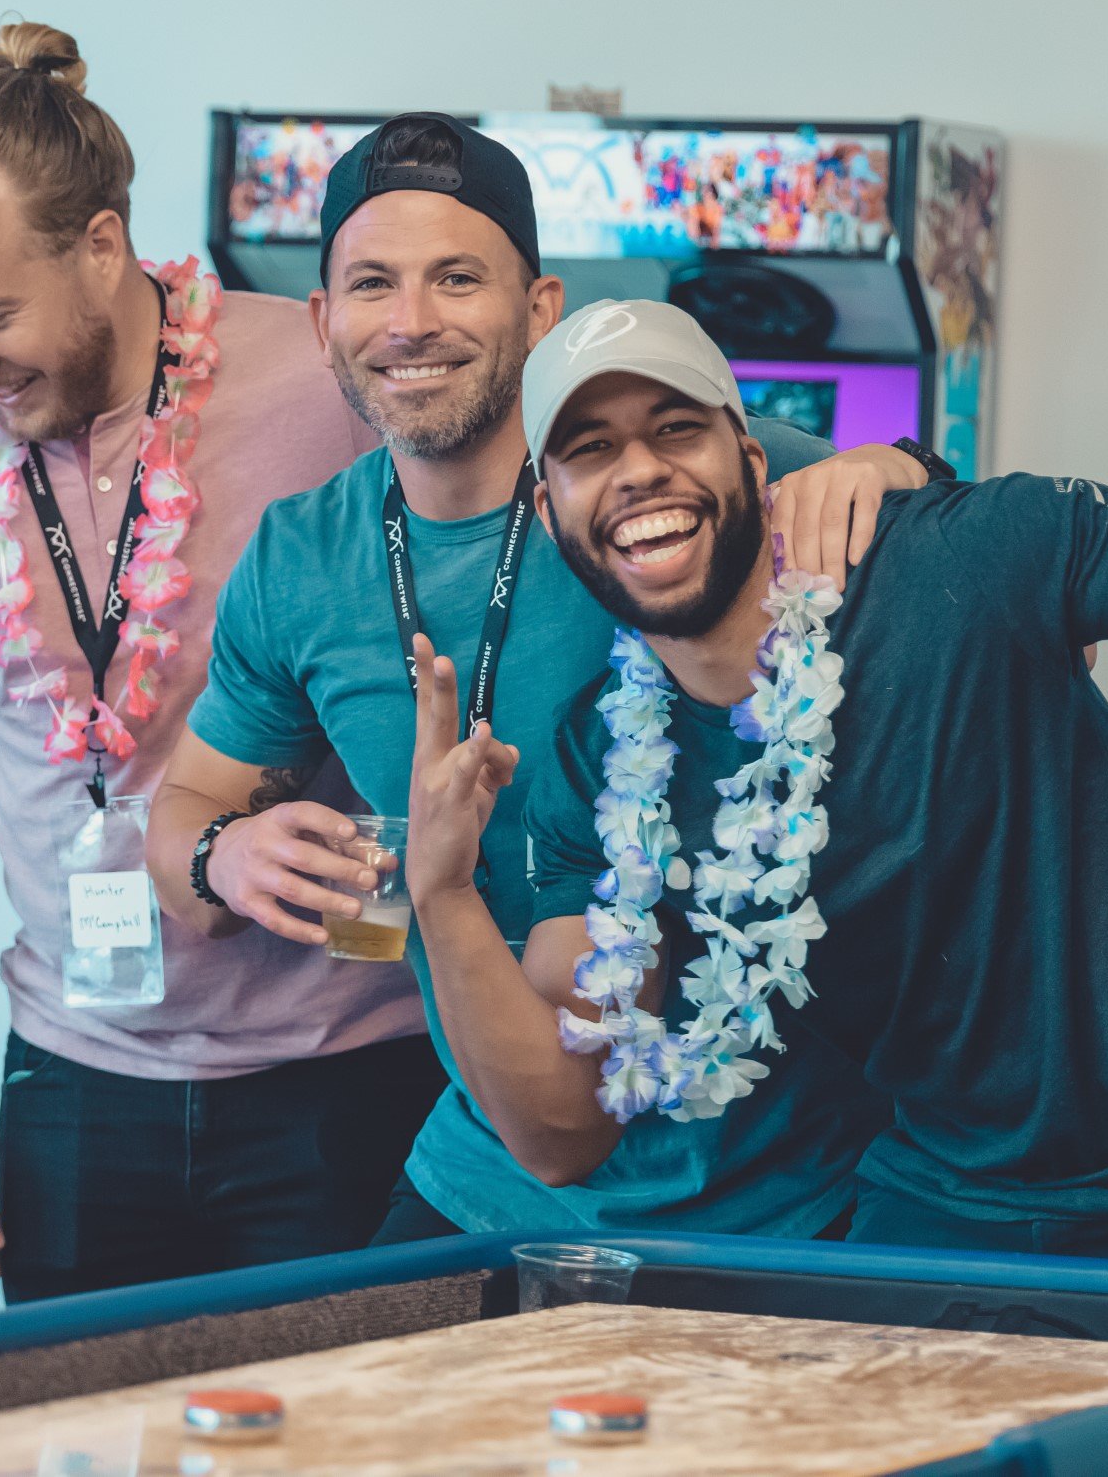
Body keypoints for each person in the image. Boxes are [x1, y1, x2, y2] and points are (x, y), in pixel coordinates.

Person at [412, 222, 1108, 1271]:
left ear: (749, 457)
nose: (641, 472)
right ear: (546, 505)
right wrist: (442, 891)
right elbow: (565, 1130)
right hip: (944, 1198)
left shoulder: (962, 558)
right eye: (589, 450)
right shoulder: (601, 768)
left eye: (675, 429)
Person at [149, 113, 928, 1242]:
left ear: (540, 307)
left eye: (457, 278)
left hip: (790, 1177)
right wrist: (227, 854)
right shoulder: (299, 556)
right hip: (497, 1157)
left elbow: (940, 533)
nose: (411, 323)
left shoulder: (657, 475)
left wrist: (896, 466)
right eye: (373, 284)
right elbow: (181, 823)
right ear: (323, 323)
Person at [0, 23, 443, 1304]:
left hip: (347, 1065)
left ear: (101, 245)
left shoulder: (323, 377)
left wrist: (853, 466)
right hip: (71, 1081)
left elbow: (567, 445)